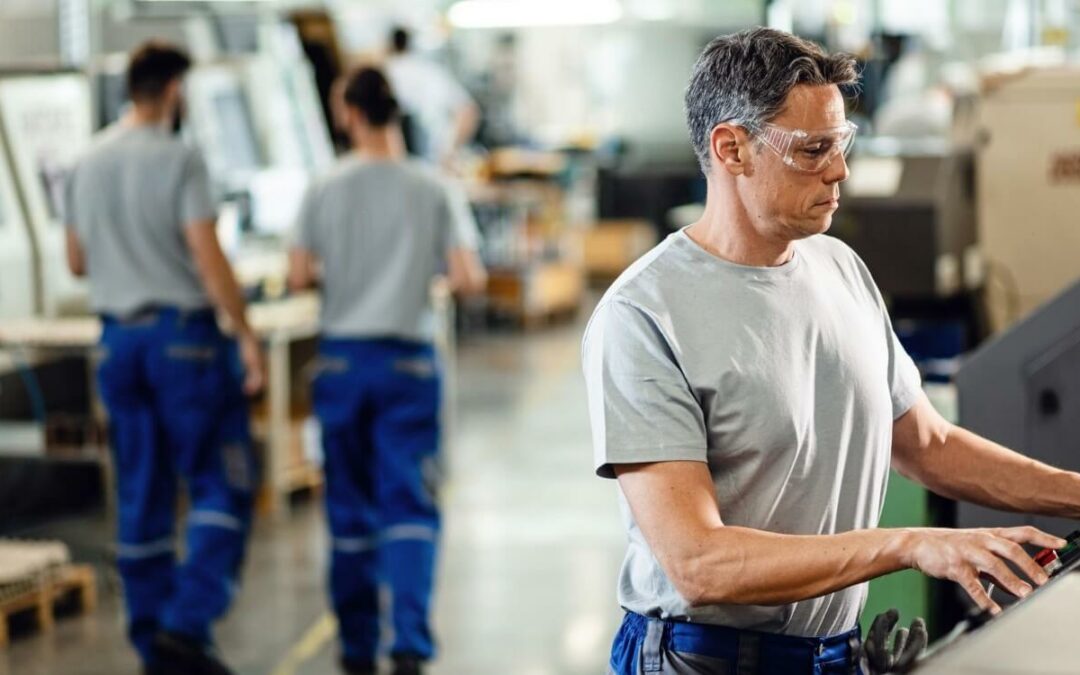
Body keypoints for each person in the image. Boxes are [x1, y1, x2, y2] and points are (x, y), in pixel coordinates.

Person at [581, 27, 1078, 674]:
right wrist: (908, 543)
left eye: (841, 143)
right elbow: (697, 562)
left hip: (834, 652)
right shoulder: (645, 314)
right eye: (813, 149)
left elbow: (927, 444)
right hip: (703, 657)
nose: (840, 170)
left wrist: (1075, 491)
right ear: (731, 148)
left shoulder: (839, 266)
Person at [64, 41, 264, 675]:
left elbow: (76, 261)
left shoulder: (86, 161)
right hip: (184, 342)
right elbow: (207, 256)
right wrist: (246, 330)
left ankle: (157, 645)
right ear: (174, 91)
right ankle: (187, 621)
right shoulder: (181, 158)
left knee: (142, 490)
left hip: (118, 342)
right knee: (222, 481)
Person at [287, 66, 487, 675]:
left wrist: (345, 272)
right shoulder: (431, 187)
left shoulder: (323, 187)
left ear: (349, 113)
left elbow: (297, 276)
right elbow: (467, 277)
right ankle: (407, 646)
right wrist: (410, 273)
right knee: (410, 505)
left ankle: (355, 650)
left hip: (344, 360)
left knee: (347, 509)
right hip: (408, 362)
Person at [384, 26, 480, 167]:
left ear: (390, 45)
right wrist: (449, 150)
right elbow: (469, 111)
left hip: (397, 167)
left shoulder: (385, 74)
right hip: (436, 164)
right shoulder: (432, 72)